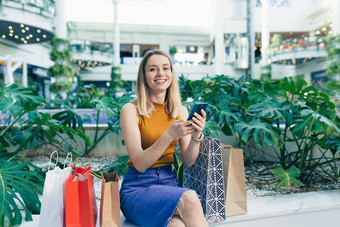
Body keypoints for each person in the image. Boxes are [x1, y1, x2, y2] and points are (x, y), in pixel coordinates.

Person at [120, 49, 209, 227]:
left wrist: (196, 135)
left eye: (165, 68)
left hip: (169, 184)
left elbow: (188, 160)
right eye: (153, 69)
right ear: (144, 75)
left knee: (177, 225)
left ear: (171, 74)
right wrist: (168, 135)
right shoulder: (130, 110)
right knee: (190, 198)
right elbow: (140, 163)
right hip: (138, 188)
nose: (161, 73)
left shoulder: (180, 111)